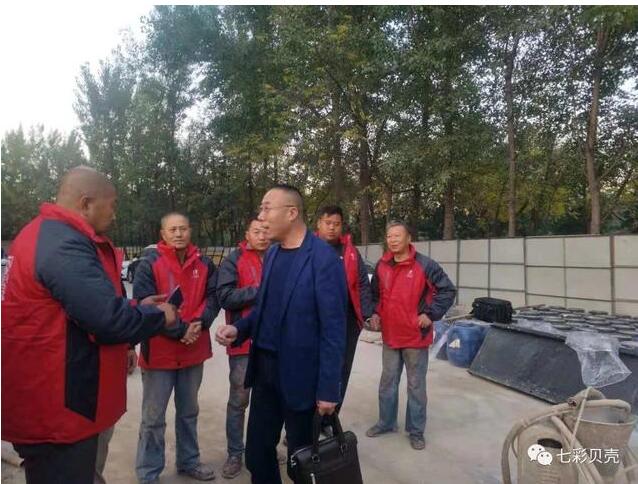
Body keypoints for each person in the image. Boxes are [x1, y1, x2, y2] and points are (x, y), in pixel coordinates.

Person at [1, 166, 176, 484]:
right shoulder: (63, 244)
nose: (115, 214)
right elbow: (106, 320)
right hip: (59, 408)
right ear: (86, 203)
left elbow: (82, 305)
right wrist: (159, 315)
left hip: (52, 399)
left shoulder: (46, 234)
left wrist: (137, 307)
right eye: (112, 204)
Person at [215, 185, 347, 484]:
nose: (261, 217)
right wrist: (239, 328)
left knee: (301, 461)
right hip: (265, 370)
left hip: (301, 376)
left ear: (291, 213)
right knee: (257, 454)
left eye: (266, 208)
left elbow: (333, 330)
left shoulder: (323, 259)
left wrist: (329, 389)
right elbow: (265, 307)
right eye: (261, 209)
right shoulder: (273, 253)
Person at [133, 212, 220, 484]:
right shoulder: (149, 264)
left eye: (183, 228)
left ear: (190, 231)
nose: (179, 234)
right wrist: (182, 330)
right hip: (159, 353)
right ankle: (148, 473)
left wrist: (199, 323)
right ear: (163, 234)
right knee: (153, 417)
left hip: (194, 351)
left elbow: (213, 297)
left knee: (188, 412)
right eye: (172, 230)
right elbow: (145, 306)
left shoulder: (205, 263)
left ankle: (189, 461)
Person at [366, 221, 456, 450]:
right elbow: (376, 295)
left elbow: (447, 290)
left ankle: (416, 431)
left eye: (397, 235)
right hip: (390, 335)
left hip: (415, 336)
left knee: (415, 386)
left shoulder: (425, 265)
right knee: (388, 382)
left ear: (409, 239)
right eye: (389, 236)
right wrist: (375, 313)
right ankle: (386, 423)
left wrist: (431, 314)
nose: (392, 240)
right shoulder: (382, 265)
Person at [216, 217, 270, 479]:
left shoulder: (278, 256)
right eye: (256, 231)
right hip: (243, 343)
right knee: (239, 401)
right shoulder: (233, 260)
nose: (262, 236)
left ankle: (264, 449)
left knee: (268, 400)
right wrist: (260, 291)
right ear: (247, 234)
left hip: (272, 341)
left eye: (266, 231)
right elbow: (224, 297)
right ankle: (235, 453)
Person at [315, 205, 374, 433]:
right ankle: (303, 426)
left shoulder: (350, 251)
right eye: (328, 223)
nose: (332, 228)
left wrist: (366, 314)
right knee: (313, 369)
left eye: (336, 224)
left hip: (347, 321)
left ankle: (329, 421)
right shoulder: (308, 248)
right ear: (319, 224)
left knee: (341, 371)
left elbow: (363, 283)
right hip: (316, 319)